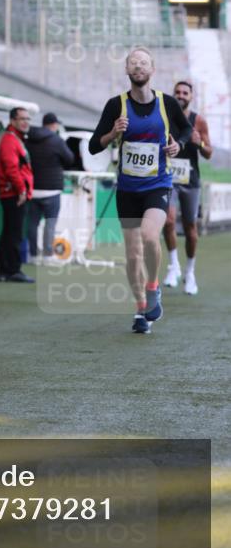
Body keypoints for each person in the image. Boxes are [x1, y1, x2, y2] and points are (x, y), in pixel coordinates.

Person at [89, 46, 191, 335]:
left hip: (157, 184)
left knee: (149, 236)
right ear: (126, 70)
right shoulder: (115, 105)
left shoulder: (167, 103)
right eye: (133, 63)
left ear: (152, 70)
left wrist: (178, 145)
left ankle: (153, 286)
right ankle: (141, 308)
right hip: (127, 189)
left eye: (143, 62)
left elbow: (184, 131)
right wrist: (113, 133)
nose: (138, 67)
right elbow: (94, 144)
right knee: (133, 254)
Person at [163, 80, 213, 295]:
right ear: (173, 95)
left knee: (191, 228)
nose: (181, 95)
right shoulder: (166, 117)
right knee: (168, 219)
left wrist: (198, 142)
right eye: (178, 92)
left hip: (190, 179)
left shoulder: (198, 121)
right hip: (168, 176)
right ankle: (173, 265)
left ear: (191, 97)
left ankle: (190, 272)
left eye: (185, 93)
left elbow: (209, 153)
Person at [26, 112, 74, 263]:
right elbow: (70, 159)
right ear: (54, 125)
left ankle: (32, 256)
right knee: (50, 223)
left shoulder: (29, 139)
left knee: (32, 223)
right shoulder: (57, 140)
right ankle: (47, 256)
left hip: (32, 189)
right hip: (52, 189)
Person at [0, 107, 35, 283]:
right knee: (14, 234)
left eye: (28, 118)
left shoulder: (13, 138)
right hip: (14, 193)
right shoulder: (10, 140)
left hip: (13, 192)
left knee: (9, 232)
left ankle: (3, 271)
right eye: (21, 119)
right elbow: (11, 169)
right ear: (12, 121)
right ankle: (12, 270)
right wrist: (22, 190)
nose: (25, 122)